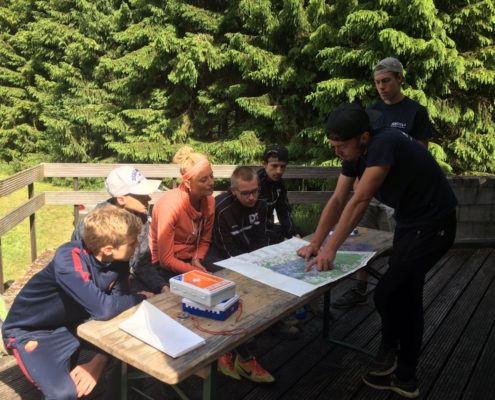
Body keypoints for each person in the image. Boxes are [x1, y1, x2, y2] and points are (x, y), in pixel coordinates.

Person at [298, 103, 457, 398]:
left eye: (341, 146)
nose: (337, 152)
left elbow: (358, 202)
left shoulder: (385, 144)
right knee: (405, 292)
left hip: (436, 224)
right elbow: (337, 199)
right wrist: (315, 243)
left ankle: (400, 365)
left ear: (363, 137)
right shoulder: (356, 153)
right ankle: (396, 362)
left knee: (390, 293)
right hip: (410, 224)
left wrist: (331, 249)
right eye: (333, 146)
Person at [2, 206, 154, 400]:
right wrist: (139, 298)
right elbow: (104, 309)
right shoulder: (68, 257)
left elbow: (116, 309)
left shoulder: (119, 261)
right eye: (132, 244)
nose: (136, 247)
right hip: (30, 331)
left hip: (74, 325)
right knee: (64, 394)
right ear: (108, 249)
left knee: (133, 346)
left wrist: (99, 360)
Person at [333, 57, 434, 310]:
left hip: (397, 193)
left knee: (395, 243)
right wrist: (358, 178)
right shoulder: (371, 112)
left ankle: (394, 285)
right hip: (367, 189)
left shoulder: (416, 112)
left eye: (386, 81)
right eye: (377, 82)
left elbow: (419, 154)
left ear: (400, 78)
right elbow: (361, 149)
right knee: (359, 239)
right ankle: (359, 288)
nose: (381, 86)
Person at [206, 166, 274, 383]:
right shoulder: (221, 208)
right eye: (245, 193)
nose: (252, 197)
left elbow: (262, 238)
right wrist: (250, 270)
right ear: (233, 190)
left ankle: (239, 351)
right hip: (220, 258)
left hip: (249, 256)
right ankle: (240, 355)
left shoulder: (262, 204)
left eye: (255, 190)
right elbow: (227, 250)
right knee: (236, 294)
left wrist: (260, 263)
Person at [71, 165, 166, 293]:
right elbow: (79, 271)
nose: (149, 198)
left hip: (122, 281)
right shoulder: (92, 226)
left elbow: (142, 263)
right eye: (141, 194)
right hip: (93, 289)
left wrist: (162, 287)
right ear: (121, 199)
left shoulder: (141, 218)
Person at [145, 146, 215, 292]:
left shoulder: (209, 202)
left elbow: (205, 240)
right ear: (188, 183)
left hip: (191, 259)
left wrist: (197, 259)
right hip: (162, 265)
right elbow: (166, 260)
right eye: (204, 179)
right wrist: (195, 272)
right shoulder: (169, 206)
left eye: (211, 176)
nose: (211, 183)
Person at [257, 144, 299, 244]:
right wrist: (280, 239)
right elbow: (253, 224)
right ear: (264, 164)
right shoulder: (254, 185)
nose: (279, 171)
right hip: (252, 230)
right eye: (274, 166)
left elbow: (283, 211)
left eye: (283, 166)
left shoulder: (280, 184)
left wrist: (293, 235)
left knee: (298, 234)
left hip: (269, 226)